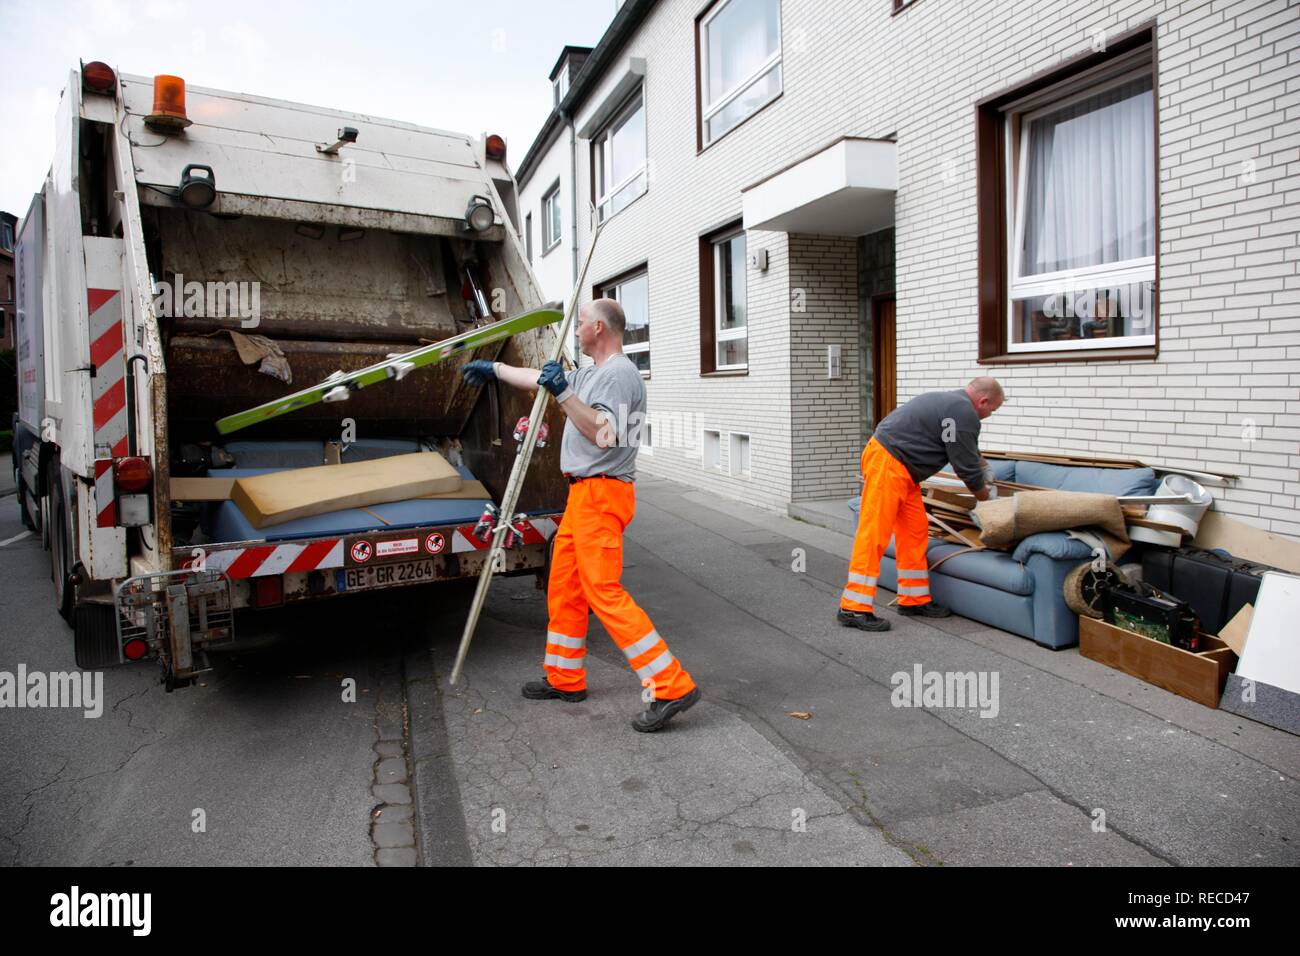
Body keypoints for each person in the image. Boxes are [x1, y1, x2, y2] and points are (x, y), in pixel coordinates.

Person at [460, 298, 701, 732]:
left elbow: (605, 433)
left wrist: (563, 393)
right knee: (565, 585)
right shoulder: (591, 373)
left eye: (583, 323)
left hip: (603, 495)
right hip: (582, 497)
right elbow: (539, 379)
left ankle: (671, 685)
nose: (576, 330)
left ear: (601, 330)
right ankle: (565, 677)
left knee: (603, 591)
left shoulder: (620, 376)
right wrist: (495, 372)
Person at [839, 377, 1005, 632]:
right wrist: (988, 503)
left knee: (914, 532)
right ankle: (853, 607)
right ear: (983, 401)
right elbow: (964, 466)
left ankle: (913, 599)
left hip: (902, 469)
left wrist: (983, 465)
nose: (989, 415)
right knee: (874, 535)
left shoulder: (954, 404)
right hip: (889, 464)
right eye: (992, 410)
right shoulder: (963, 411)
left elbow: (964, 449)